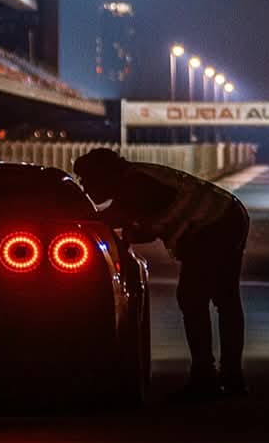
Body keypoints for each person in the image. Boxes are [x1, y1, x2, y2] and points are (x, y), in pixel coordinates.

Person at [73, 148, 250, 402]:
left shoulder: (133, 186)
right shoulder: (133, 178)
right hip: (227, 214)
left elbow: (120, 219)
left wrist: (79, 216)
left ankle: (205, 376)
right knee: (225, 301)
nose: (85, 188)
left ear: (103, 175)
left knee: (193, 298)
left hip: (213, 225)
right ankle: (231, 377)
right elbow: (146, 219)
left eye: (86, 180)